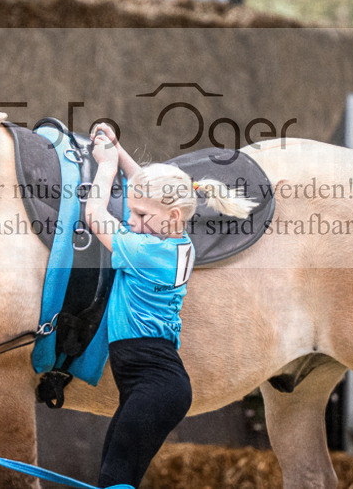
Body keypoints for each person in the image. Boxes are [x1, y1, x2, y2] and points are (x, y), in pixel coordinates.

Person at [84, 123, 258, 488]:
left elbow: (94, 215)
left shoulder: (146, 252)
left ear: (173, 217)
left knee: (115, 477)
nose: (132, 221)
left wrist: (106, 165)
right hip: (153, 384)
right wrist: (119, 150)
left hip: (155, 385)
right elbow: (144, 188)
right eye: (131, 212)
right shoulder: (177, 242)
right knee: (113, 477)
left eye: (140, 216)